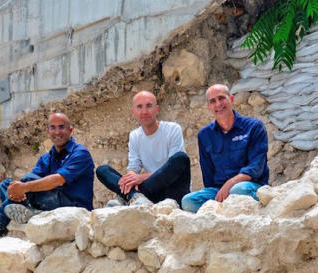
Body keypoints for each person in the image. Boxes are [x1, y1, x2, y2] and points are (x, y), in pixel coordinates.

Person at [0, 112, 94, 242]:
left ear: (70, 130)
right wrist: (20, 189)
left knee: (26, 183)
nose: (57, 132)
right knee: (6, 185)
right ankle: (32, 212)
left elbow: (58, 180)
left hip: (74, 206)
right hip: (51, 201)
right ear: (48, 131)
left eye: (61, 127)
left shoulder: (80, 153)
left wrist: (23, 187)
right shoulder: (47, 157)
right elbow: (32, 181)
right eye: (53, 128)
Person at [181, 84, 269, 213]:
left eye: (221, 98)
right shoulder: (205, 135)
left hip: (249, 187)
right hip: (219, 191)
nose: (218, 104)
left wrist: (230, 183)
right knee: (188, 201)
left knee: (238, 190)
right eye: (212, 101)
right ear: (209, 107)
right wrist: (216, 195)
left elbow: (256, 167)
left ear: (231, 100)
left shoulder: (254, 127)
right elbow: (208, 174)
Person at [95, 90, 191, 207]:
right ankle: (134, 196)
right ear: (133, 112)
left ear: (157, 109)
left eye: (149, 106)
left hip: (173, 190)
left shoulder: (172, 129)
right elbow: (133, 167)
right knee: (103, 170)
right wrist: (131, 179)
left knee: (181, 158)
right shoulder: (135, 136)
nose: (144, 111)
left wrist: (140, 178)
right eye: (139, 107)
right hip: (150, 192)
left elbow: (172, 169)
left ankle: (128, 196)